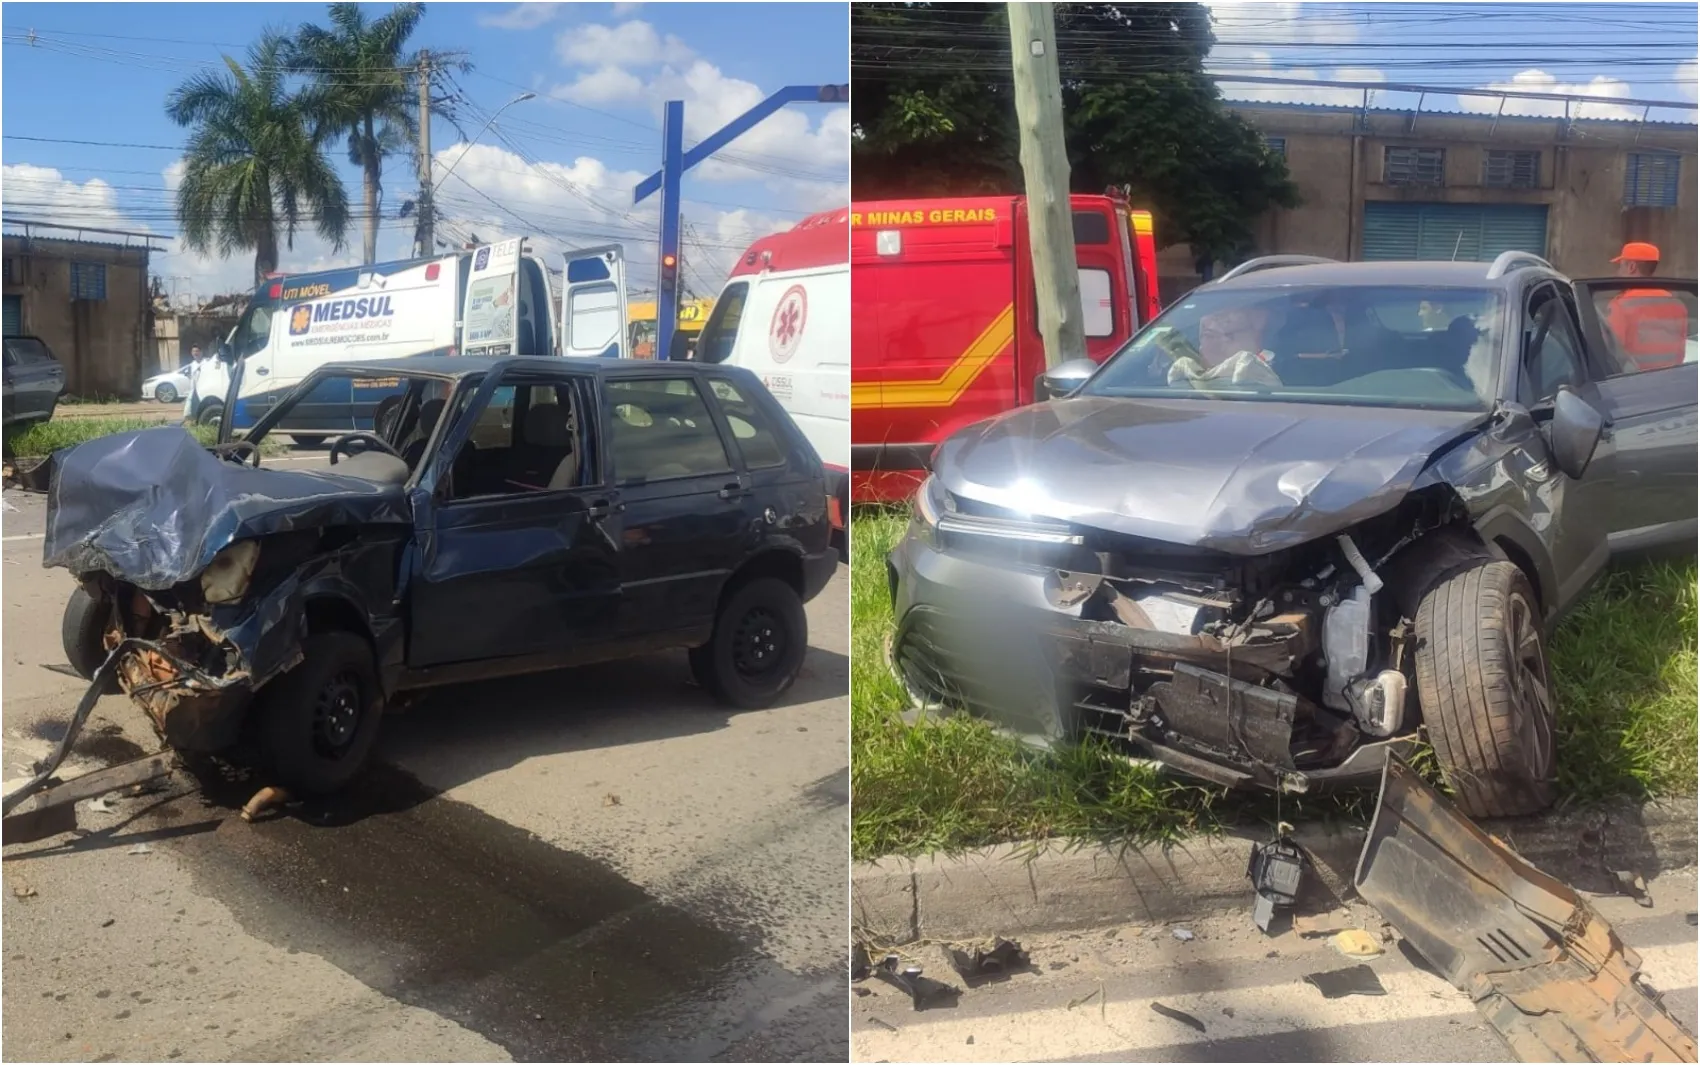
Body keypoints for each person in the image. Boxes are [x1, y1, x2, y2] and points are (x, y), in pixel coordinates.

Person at [1604, 242, 1687, 372]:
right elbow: (1680, 351)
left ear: (1631, 267)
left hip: (1636, 383)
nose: (1618, 272)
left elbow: (1611, 354)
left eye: (1620, 267)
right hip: (1671, 380)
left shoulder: (1620, 305)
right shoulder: (1676, 303)